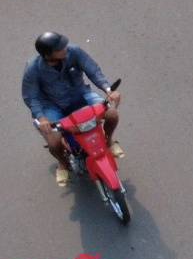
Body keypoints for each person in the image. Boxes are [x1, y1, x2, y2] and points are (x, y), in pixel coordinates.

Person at [21, 31, 123, 186]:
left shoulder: (73, 51)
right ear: (48, 55)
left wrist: (108, 90)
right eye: (59, 48)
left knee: (111, 114)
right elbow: (31, 96)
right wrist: (42, 118)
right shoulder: (33, 69)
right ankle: (63, 163)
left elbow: (93, 70)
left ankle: (108, 140)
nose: (65, 49)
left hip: (81, 94)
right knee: (54, 141)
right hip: (53, 106)